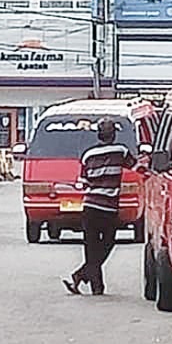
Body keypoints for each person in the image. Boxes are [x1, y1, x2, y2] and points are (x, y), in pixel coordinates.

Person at [65, 118, 133, 296]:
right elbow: (135, 165)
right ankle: (85, 278)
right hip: (109, 208)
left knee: (91, 246)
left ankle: (91, 282)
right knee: (108, 243)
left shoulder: (88, 155)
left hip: (90, 206)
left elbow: (84, 182)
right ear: (114, 134)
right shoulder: (121, 151)